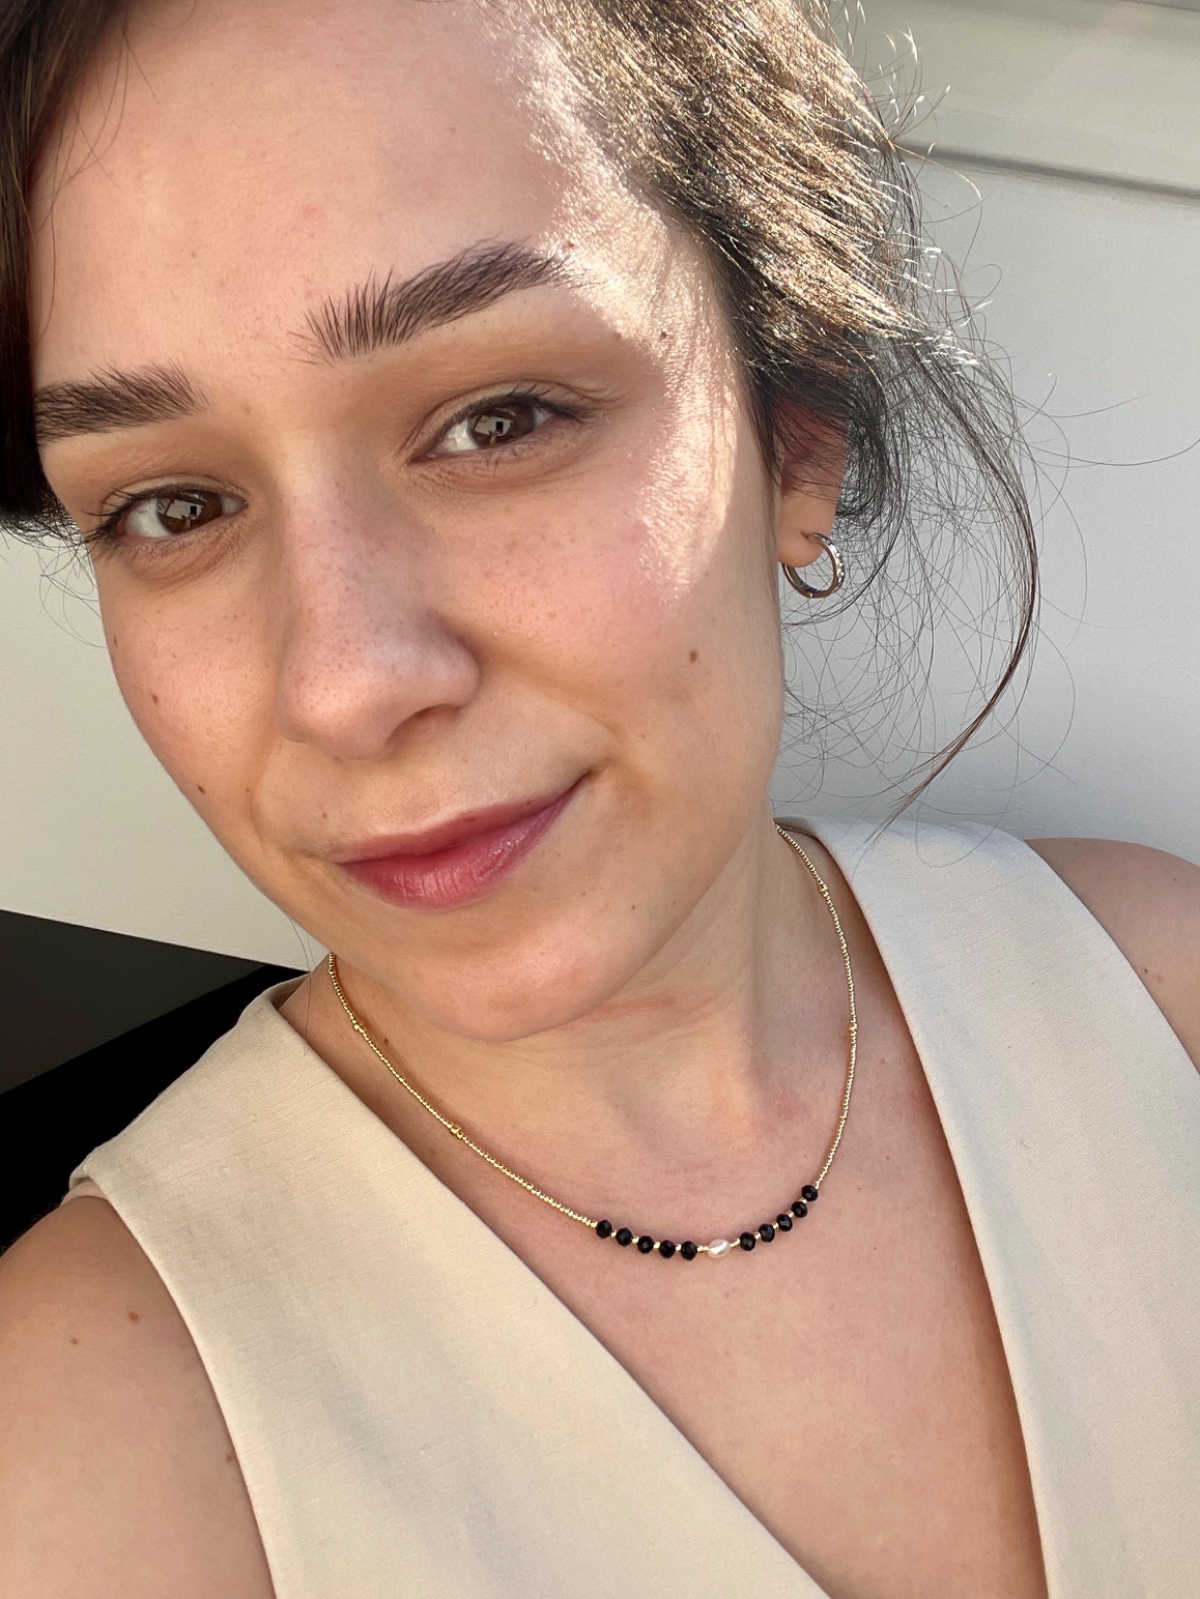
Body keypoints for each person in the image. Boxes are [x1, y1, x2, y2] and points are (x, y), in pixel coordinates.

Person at [0, 1, 1197, 1595]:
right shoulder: (76, 1456)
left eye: (497, 421)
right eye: (172, 506)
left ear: (796, 434)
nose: (344, 683)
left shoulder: (1158, 1003)